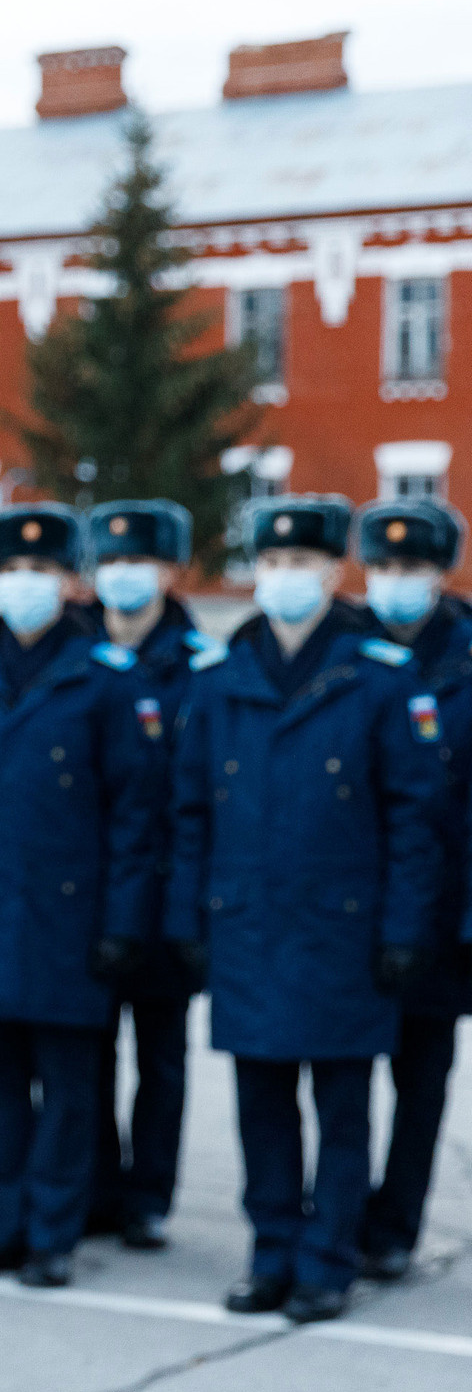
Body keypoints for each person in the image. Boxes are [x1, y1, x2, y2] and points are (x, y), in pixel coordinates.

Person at [166, 495, 445, 1322]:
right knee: (261, 1104)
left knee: (341, 1106)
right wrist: (188, 919)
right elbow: (189, 815)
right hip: (249, 924)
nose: (286, 576)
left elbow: (414, 821)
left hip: (342, 930)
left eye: (304, 562)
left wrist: (402, 931)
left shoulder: (377, 678)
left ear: (332, 571)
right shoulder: (223, 680)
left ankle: (328, 1260)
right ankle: (272, 1251)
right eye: (274, 562)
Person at [0, 504, 162, 1289]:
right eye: (12, 570)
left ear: (69, 580)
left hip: (69, 917)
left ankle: (53, 1231)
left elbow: (135, 815)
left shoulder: (106, 679)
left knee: (68, 1085)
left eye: (41, 571)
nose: (25, 584)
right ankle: (0, 1222)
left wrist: (124, 922)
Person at [79, 500, 216, 1251]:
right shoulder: (77, 657)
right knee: (86, 1051)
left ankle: (149, 1194)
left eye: (139, 560)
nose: (123, 574)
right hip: (87, 893)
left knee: (160, 1056)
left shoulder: (199, 665)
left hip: (167, 893)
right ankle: (97, 1184)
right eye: (111, 560)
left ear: (169, 570)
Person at [354, 498, 470, 1283]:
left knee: (422, 1080)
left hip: (448, 915)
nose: (400, 580)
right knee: (341, 1076)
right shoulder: (344, 650)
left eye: (415, 567)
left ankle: (395, 1222)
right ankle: (336, 1213)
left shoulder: (466, 656)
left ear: (440, 572)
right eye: (387, 566)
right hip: (357, 909)